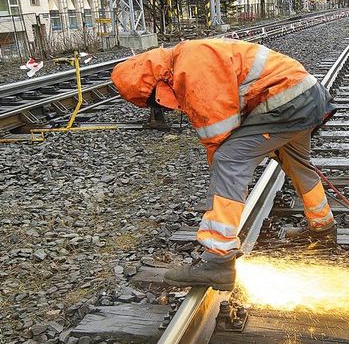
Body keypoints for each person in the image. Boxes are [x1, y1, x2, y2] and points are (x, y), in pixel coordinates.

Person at [111, 39, 337, 291]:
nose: (161, 104)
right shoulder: (188, 56)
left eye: (153, 98)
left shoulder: (191, 65)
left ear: (155, 81)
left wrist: (220, 174)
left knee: (229, 161)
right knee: (298, 164)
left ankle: (218, 259)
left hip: (284, 101)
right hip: (305, 95)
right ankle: (323, 228)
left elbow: (220, 134)